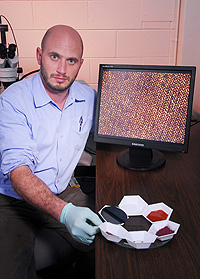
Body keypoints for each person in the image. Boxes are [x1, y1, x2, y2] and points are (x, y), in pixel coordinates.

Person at [0, 25, 102, 278]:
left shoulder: (88, 96)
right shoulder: (13, 101)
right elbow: (18, 171)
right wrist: (65, 213)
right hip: (13, 199)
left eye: (71, 60)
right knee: (13, 273)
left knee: (109, 245)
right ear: (39, 56)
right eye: (54, 56)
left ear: (80, 64)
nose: (62, 69)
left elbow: (119, 122)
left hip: (62, 189)